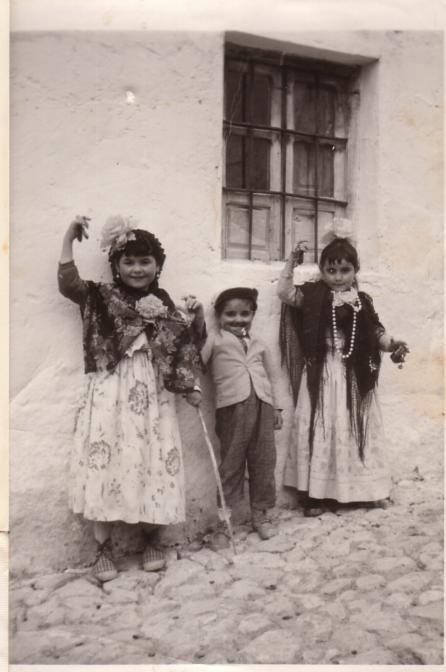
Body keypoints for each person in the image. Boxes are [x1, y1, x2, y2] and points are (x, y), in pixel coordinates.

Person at [58, 214, 204, 581]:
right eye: (129, 261)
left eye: (145, 261)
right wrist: (68, 239)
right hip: (111, 390)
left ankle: (152, 540)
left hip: (154, 393)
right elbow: (69, 284)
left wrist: (191, 385)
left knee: (153, 457)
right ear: (116, 265)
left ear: (158, 265)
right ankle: (103, 549)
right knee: (107, 458)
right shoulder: (101, 297)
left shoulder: (166, 305)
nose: (137, 269)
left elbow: (186, 347)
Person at [278, 223, 409, 517]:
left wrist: (392, 345)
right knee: (321, 430)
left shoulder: (362, 302)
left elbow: (376, 332)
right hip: (322, 377)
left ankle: (366, 491)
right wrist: (291, 263)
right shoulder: (312, 296)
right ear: (322, 270)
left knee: (354, 430)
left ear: (355, 270)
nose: (338, 277)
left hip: (353, 377)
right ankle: (315, 495)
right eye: (331, 270)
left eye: (345, 270)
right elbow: (285, 293)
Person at [201, 287, 283, 541]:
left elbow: (273, 376)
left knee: (264, 462)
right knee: (231, 464)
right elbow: (197, 362)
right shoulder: (214, 339)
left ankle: (261, 515)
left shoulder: (259, 343)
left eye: (245, 314)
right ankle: (224, 523)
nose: (238, 319)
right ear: (219, 316)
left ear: (253, 315)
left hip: (262, 405)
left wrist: (277, 407)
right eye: (230, 314)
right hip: (232, 408)